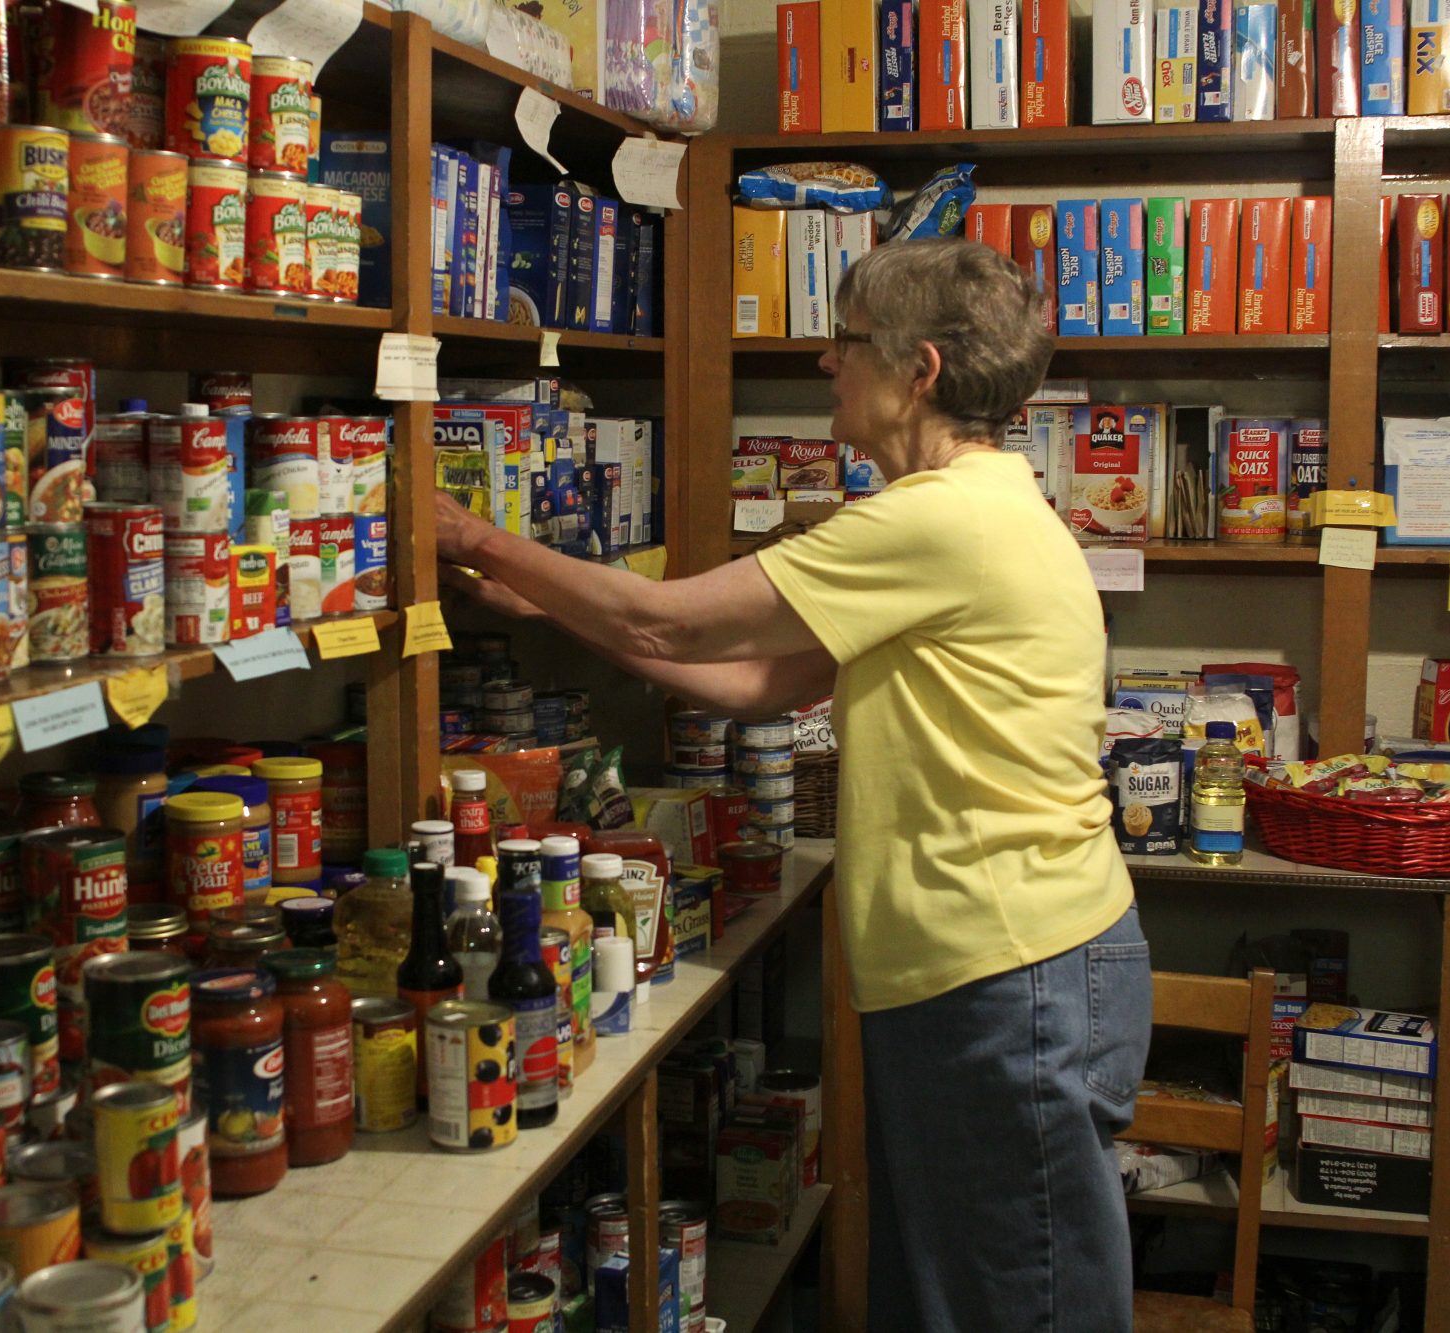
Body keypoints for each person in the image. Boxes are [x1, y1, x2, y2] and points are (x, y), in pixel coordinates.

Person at [433, 237, 1150, 1332]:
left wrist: (478, 537)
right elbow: (758, 683)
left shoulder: (936, 519)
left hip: (1011, 977)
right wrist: (553, 606)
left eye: (846, 341)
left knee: (1019, 1308)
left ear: (917, 371)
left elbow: (662, 614)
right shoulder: (971, 512)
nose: (825, 363)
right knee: (961, 1297)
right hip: (990, 968)